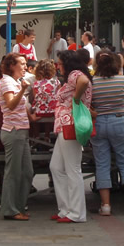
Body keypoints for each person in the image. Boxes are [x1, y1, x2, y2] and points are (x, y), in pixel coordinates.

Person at [90, 52, 124, 217]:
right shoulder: (123, 80)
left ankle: (105, 205)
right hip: (119, 121)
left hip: (99, 123)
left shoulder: (93, 82)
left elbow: (90, 103)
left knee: (102, 164)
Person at [50, 50, 92, 223]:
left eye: (59, 63)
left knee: (71, 168)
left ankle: (75, 212)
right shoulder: (75, 74)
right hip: (67, 125)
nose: (58, 66)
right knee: (57, 167)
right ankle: (67, 209)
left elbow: (83, 81)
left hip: (69, 124)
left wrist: (75, 100)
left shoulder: (75, 75)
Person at [0, 53, 33, 221]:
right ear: (12, 66)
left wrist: (31, 117)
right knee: (13, 172)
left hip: (21, 130)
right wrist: (24, 90)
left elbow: (20, 106)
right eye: (22, 63)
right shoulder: (6, 82)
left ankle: (18, 206)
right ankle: (10, 209)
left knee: (26, 172)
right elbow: (11, 105)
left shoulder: (16, 82)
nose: (25, 66)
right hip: (14, 131)